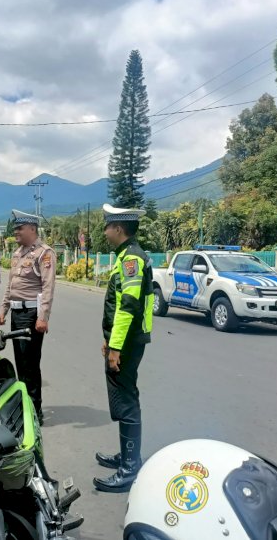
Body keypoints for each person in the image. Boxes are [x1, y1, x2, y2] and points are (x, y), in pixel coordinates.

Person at [93, 204, 154, 493]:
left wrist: (115, 347)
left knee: (126, 401)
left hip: (127, 343)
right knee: (124, 398)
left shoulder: (132, 260)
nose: (105, 231)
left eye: (107, 226)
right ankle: (128, 456)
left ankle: (130, 469)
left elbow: (128, 307)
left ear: (118, 228)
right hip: (123, 340)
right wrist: (109, 339)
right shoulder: (126, 257)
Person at [0, 210, 56, 424]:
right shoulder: (17, 253)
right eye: (15, 229)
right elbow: (11, 285)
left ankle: (34, 410)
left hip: (31, 315)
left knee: (30, 364)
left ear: (32, 229)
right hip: (16, 312)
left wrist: (43, 317)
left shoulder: (44, 252)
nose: (16, 233)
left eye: (19, 229)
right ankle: (25, 406)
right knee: (21, 363)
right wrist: (3, 309)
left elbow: (48, 287)